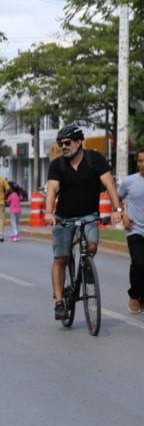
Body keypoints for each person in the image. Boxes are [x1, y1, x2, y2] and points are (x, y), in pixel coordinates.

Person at [44, 124, 122, 321]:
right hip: (63, 218)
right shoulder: (57, 165)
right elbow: (52, 189)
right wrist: (48, 212)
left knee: (92, 246)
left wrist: (117, 210)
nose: (64, 146)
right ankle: (59, 302)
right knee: (61, 258)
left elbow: (109, 184)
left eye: (67, 142)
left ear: (79, 142)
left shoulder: (95, 160)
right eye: (61, 143)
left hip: (89, 216)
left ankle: (86, 267)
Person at [119, 149, 144, 314]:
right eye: (140, 161)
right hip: (134, 229)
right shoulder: (129, 181)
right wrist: (122, 215)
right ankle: (135, 296)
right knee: (139, 263)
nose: (143, 164)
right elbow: (116, 197)